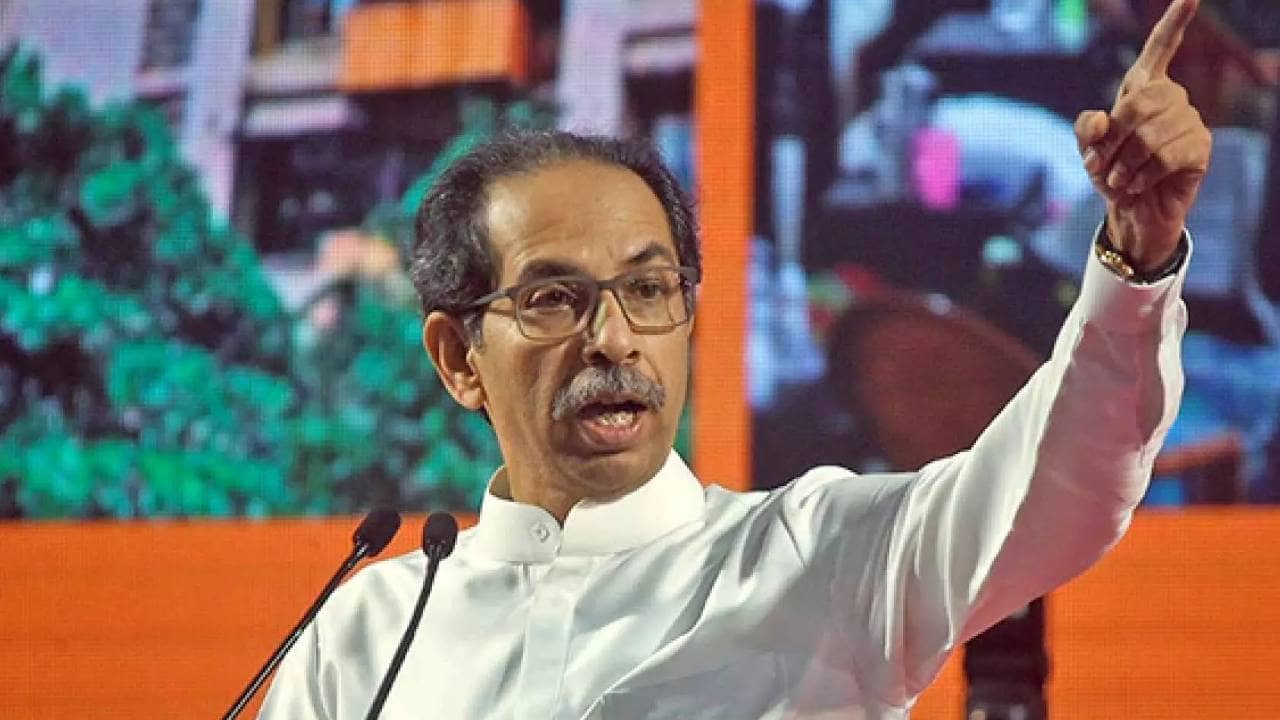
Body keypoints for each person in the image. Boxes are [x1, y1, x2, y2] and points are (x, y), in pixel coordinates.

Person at [258, 1, 1211, 717]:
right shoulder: (366, 638)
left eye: (648, 288)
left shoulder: (811, 557)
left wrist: (1137, 254)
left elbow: (1058, 488)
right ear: (458, 357)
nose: (614, 338)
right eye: (553, 298)